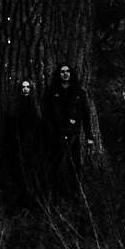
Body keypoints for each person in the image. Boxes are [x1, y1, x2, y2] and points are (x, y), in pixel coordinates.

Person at [44, 62, 94, 195]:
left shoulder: (80, 93)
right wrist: (51, 129)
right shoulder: (51, 92)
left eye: (67, 71)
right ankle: (53, 195)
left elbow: (86, 116)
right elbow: (46, 113)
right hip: (56, 134)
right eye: (62, 71)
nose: (65, 74)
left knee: (75, 166)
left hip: (74, 134)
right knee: (54, 166)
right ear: (58, 74)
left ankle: (75, 194)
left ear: (71, 73)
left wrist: (89, 136)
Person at [6, 76, 45, 205]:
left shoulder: (36, 105)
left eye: (28, 87)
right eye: (23, 87)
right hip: (17, 146)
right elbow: (10, 126)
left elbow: (40, 127)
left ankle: (31, 202)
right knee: (18, 174)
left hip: (33, 146)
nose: (25, 89)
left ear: (31, 88)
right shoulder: (15, 105)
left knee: (31, 174)